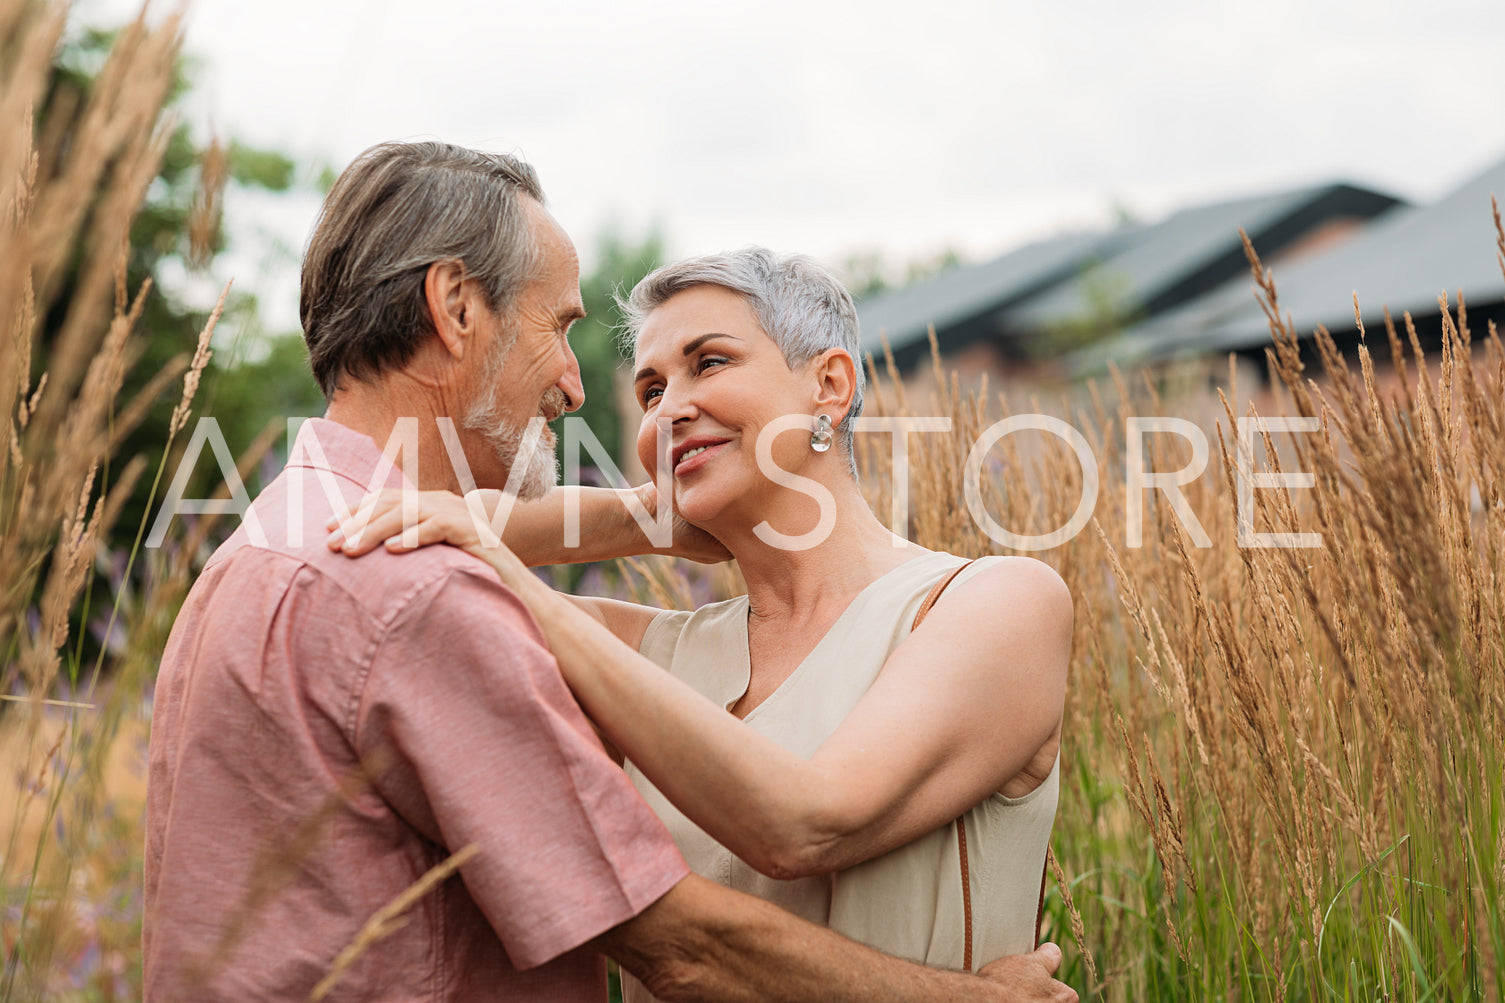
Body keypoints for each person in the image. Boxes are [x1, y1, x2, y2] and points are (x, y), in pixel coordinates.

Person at [144, 140, 1076, 1002]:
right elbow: (435, 531)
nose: (653, 405)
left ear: (829, 384)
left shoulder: (990, 602)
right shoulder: (623, 643)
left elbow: (809, 818)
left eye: (709, 362)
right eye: (651, 389)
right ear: (456, 308)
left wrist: (589, 537)